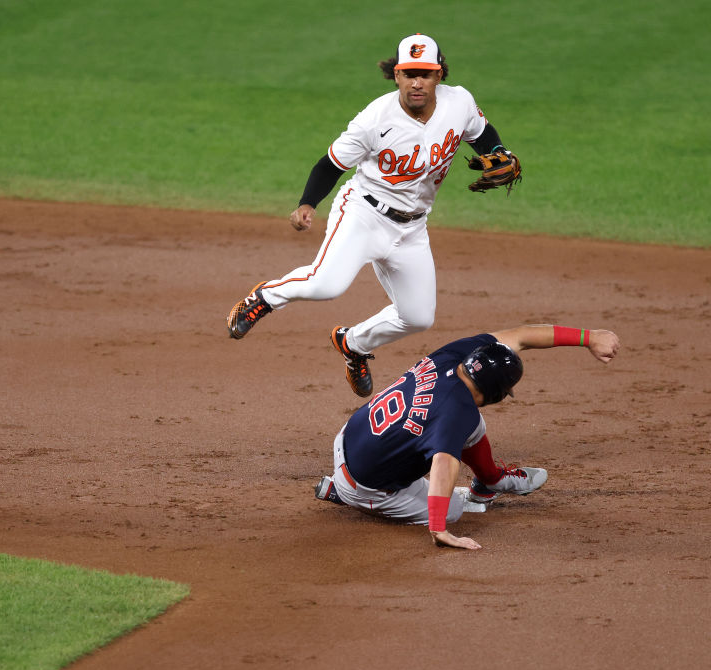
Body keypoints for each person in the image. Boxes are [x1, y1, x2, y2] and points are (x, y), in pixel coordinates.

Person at [227, 33, 520, 398]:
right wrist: (307, 203)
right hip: (364, 214)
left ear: (439, 74)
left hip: (413, 227)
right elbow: (330, 164)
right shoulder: (374, 119)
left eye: (425, 74)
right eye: (409, 73)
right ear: (396, 75)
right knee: (325, 284)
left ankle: (354, 344)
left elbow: (481, 133)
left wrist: (498, 150)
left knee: (418, 316)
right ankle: (264, 298)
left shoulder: (458, 102)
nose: (417, 82)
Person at [312, 323, 620, 550]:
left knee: (470, 427)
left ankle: (491, 481)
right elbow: (444, 465)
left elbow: (522, 336)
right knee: (453, 509)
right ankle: (344, 494)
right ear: (497, 393)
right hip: (363, 485)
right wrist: (439, 530)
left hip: (348, 437)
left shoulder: (455, 355)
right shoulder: (457, 412)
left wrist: (589, 338)